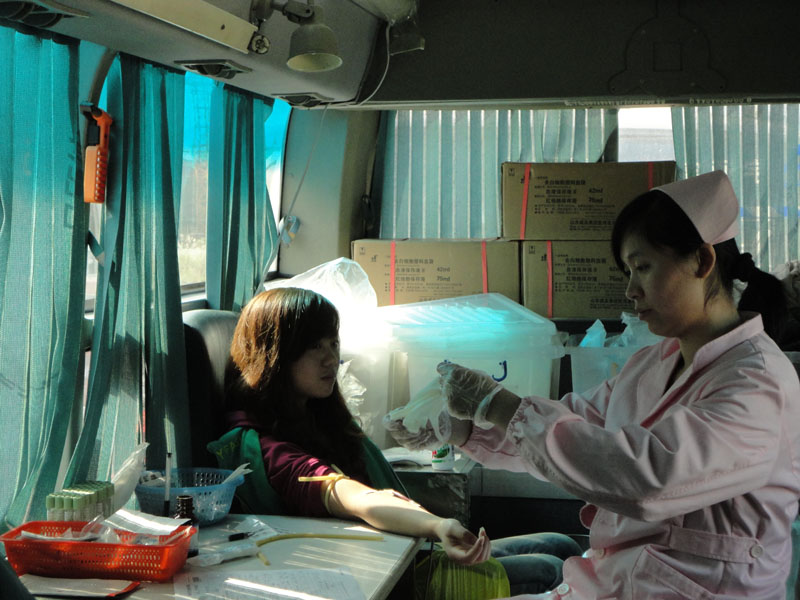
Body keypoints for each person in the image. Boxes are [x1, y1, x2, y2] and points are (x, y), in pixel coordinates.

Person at [386, 170, 800, 599]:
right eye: (628, 271)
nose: (631, 290)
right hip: (628, 582)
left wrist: (498, 404)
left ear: (702, 261)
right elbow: (574, 426)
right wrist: (464, 427)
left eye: (643, 267)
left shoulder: (756, 383)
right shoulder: (652, 364)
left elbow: (651, 477)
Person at [214, 286, 581, 594]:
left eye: (333, 342)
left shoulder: (317, 416)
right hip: (387, 579)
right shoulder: (264, 449)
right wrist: (437, 525)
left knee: (563, 545)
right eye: (314, 346)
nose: (331, 358)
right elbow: (353, 496)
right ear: (277, 354)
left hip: (402, 553)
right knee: (550, 570)